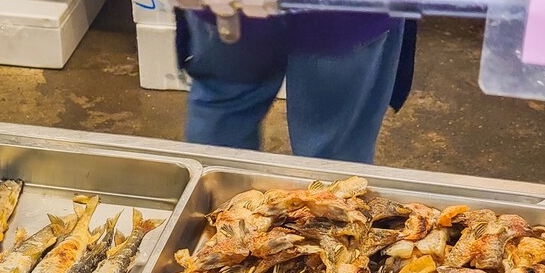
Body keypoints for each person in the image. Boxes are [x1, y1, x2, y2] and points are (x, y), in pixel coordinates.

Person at [175, 10, 417, 164]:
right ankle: (329, 236)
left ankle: (213, 227)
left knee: (224, 118)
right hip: (343, 9)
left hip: (230, 5)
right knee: (336, 151)